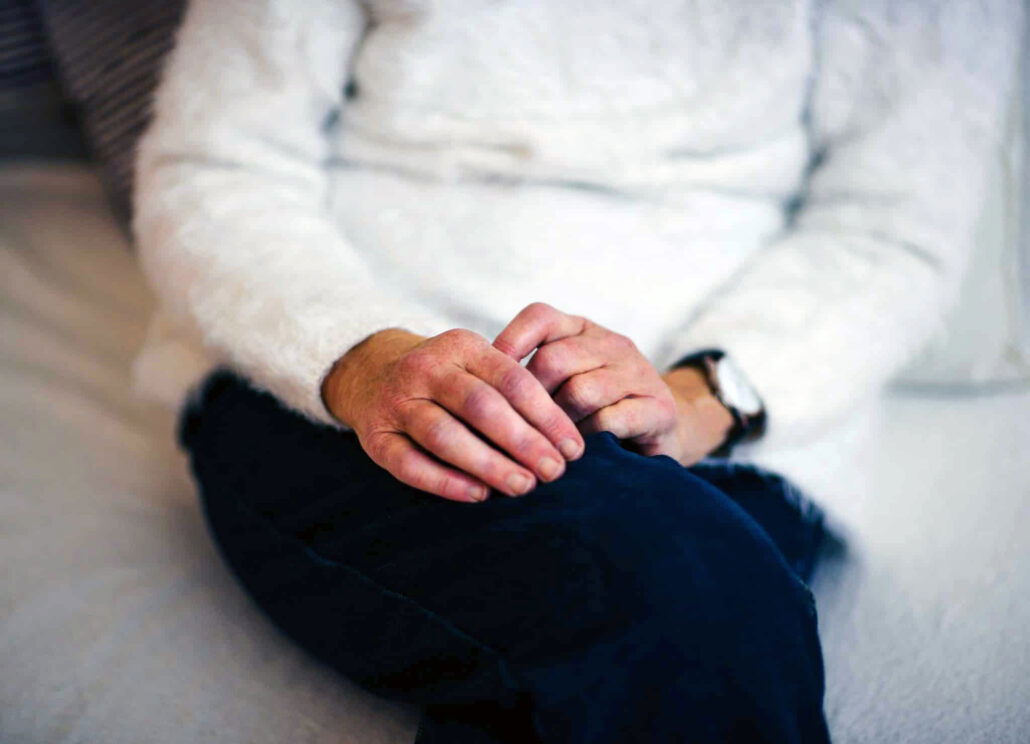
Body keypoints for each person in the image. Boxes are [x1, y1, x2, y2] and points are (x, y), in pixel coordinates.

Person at [130, 0, 1020, 741]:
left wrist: (701, 399)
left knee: (668, 602)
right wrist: (363, 357)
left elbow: (889, 231)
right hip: (333, 385)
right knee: (675, 601)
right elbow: (216, 167)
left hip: (721, 432)